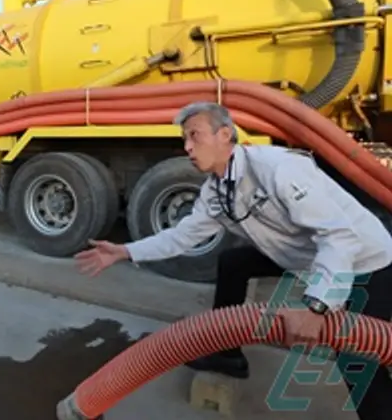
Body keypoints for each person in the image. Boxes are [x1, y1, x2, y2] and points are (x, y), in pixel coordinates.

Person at [75, 101, 392, 420]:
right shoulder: (216, 191)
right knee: (234, 263)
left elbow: (338, 236)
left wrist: (317, 306)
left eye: (194, 136)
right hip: (302, 254)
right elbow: (181, 237)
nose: (187, 147)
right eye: (184, 139)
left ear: (225, 134)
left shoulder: (277, 168)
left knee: (359, 362)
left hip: (365, 260)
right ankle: (225, 354)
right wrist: (125, 251)